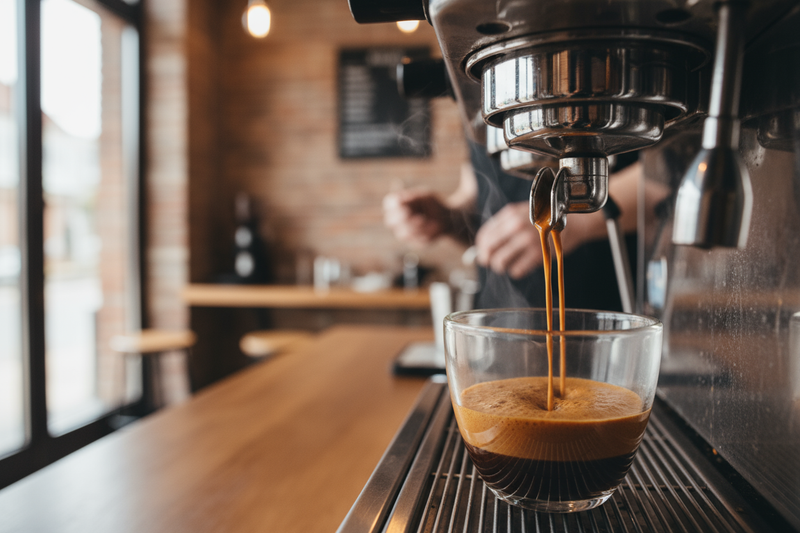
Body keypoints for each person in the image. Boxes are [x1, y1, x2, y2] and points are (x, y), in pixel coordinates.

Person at [383, 140, 662, 311]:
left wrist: (569, 218)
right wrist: (447, 217)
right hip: (500, 324)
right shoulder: (474, 92)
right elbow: (478, 193)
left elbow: (666, 176)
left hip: (605, 316)